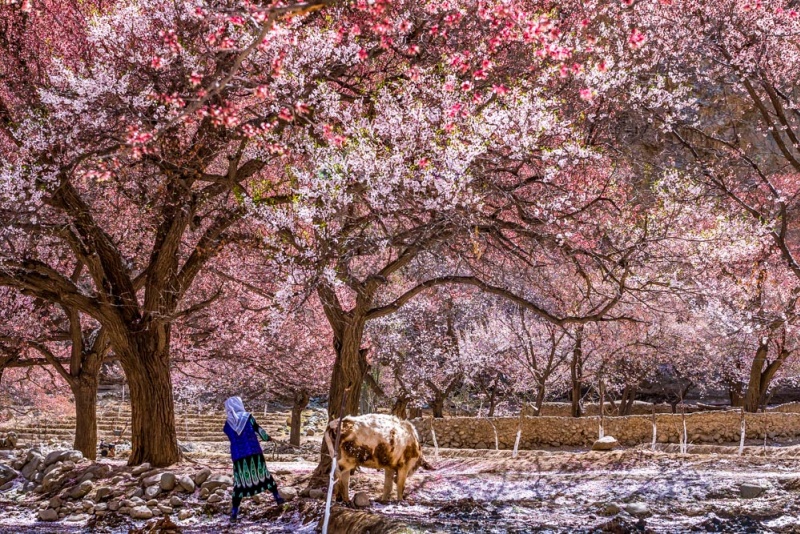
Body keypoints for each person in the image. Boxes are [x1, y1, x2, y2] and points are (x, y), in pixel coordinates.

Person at [223, 396, 284, 521]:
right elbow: (259, 431)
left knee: (239, 483)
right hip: (254, 452)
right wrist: (268, 438)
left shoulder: (227, 425)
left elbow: (231, 436)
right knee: (264, 475)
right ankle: (277, 497)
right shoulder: (248, 417)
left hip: (238, 457)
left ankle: (234, 512)